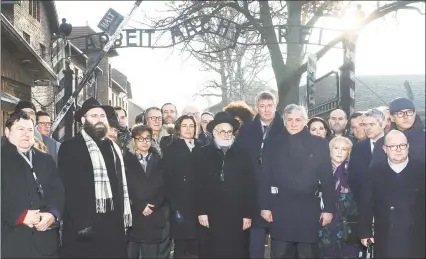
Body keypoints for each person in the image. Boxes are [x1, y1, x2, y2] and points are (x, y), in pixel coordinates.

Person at [58, 98, 132, 258]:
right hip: (84, 228)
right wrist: (82, 224)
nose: (99, 119)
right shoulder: (70, 146)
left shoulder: (113, 147)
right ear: (83, 120)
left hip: (113, 227)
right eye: (94, 116)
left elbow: (119, 186)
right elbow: (67, 189)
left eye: (102, 116)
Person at [260, 104, 335, 259]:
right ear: (284, 121)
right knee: (280, 253)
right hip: (280, 207)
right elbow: (265, 176)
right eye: (290, 120)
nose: (294, 124)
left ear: (305, 121)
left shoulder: (320, 144)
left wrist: (328, 208)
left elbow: (327, 178)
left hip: (309, 208)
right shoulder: (273, 143)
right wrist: (264, 207)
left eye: (298, 120)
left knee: (307, 254)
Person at [1, 110, 64, 258]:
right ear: (7, 132)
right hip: (11, 241)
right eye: (20, 129)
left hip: (46, 244)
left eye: (30, 129)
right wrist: (21, 216)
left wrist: (53, 214)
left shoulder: (46, 159)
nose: (26, 134)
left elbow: (58, 191)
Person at [195, 111, 256, 258]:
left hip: (237, 213)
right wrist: (201, 211)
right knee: (212, 251)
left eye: (230, 132)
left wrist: (248, 214)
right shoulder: (202, 154)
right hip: (211, 213)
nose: (227, 135)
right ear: (214, 132)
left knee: (237, 251)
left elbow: (250, 186)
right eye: (223, 131)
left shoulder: (243, 154)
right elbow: (197, 185)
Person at [359, 130, 425, 258]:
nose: (398, 149)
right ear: (385, 149)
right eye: (393, 146)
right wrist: (365, 232)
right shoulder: (374, 172)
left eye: (402, 145)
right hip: (386, 233)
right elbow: (366, 205)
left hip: (417, 234)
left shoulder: (422, 169)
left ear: (408, 147)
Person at [236, 91, 284, 259]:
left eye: (270, 105)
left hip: (279, 193)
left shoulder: (285, 127)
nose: (266, 110)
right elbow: (240, 157)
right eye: (262, 106)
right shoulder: (247, 129)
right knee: (255, 246)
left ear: (275, 105)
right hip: (254, 192)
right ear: (256, 107)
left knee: (280, 246)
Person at [124, 125, 167, 259]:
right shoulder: (125, 160)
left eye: (148, 138)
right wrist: (140, 205)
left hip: (153, 215)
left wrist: (153, 204)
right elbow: (124, 186)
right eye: (140, 138)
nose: (145, 141)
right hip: (134, 215)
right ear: (134, 141)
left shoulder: (159, 160)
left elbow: (165, 187)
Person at [162, 115, 201, 258]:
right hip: (180, 204)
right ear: (178, 129)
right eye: (184, 126)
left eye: (191, 126)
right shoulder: (171, 149)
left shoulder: (202, 147)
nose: (188, 129)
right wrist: (174, 205)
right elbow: (168, 180)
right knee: (181, 245)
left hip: (199, 204)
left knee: (198, 245)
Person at [318, 136, 362, 258]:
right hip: (324, 221)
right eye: (336, 148)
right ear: (329, 150)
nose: (339, 151)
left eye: (344, 149)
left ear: (348, 153)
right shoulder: (320, 169)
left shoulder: (354, 170)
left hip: (347, 223)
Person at [348, 108, 385, 207]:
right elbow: (352, 177)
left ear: (383, 124)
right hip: (364, 206)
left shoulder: (394, 144)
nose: (367, 128)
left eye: (372, 124)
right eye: (365, 125)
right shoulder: (358, 147)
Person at [371, 97, 425, 166]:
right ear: (392, 118)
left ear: (415, 114)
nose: (406, 116)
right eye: (400, 113)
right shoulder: (382, 142)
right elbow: (376, 170)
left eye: (409, 112)